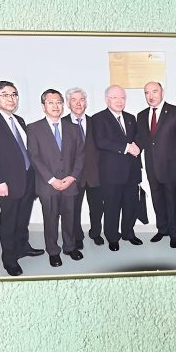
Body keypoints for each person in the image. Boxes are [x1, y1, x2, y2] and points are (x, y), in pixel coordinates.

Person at [0, 79, 43, 276]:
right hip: (6, 183)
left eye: (14, 94)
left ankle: (23, 247)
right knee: (9, 221)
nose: (11, 99)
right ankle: (9, 258)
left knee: (23, 218)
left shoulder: (19, 120)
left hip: (28, 179)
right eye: (5, 95)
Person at [26, 89, 84, 268]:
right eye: (50, 102)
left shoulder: (73, 128)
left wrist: (72, 177)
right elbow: (34, 157)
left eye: (58, 102)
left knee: (70, 218)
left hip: (70, 183)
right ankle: (53, 251)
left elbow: (80, 155)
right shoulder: (34, 128)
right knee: (50, 220)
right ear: (43, 106)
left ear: (63, 105)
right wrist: (52, 179)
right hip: (47, 185)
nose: (55, 106)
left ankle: (70, 247)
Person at [92, 85, 142, 250]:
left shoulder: (130, 117)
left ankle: (128, 233)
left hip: (131, 171)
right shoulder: (98, 118)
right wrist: (127, 147)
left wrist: (138, 146)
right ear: (107, 100)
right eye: (115, 97)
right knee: (112, 207)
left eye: (122, 98)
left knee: (130, 205)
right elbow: (101, 142)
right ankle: (112, 237)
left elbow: (137, 137)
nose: (119, 101)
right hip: (111, 173)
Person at [136, 81, 176, 248]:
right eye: (147, 93)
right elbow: (142, 140)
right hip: (152, 167)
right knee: (157, 200)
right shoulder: (141, 115)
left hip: (172, 167)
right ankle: (162, 229)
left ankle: (174, 233)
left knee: (173, 201)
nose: (151, 96)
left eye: (154, 91)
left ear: (162, 92)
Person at [63, 87, 104, 249]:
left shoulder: (95, 122)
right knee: (73, 209)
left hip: (95, 174)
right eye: (74, 100)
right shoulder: (62, 123)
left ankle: (96, 233)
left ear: (86, 103)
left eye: (81, 100)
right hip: (73, 176)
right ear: (68, 103)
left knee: (97, 207)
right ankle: (77, 236)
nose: (78, 103)